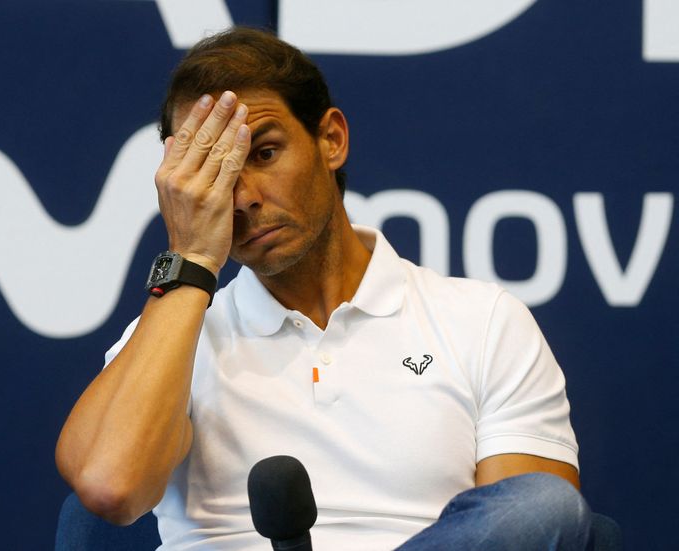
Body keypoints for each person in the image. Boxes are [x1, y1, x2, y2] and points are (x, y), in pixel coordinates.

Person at [56, 27, 591, 550]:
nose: (241, 198)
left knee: (545, 504)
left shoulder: (483, 321)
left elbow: (536, 526)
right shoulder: (170, 335)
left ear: (331, 139)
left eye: (263, 154)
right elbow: (110, 489)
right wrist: (191, 261)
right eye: (214, 174)